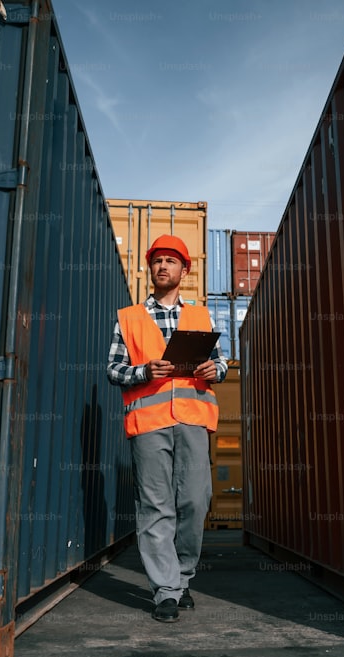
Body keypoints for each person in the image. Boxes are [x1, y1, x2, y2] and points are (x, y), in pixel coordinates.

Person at [106, 234, 227, 623]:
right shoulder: (129, 317)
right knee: (156, 506)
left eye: (171, 261)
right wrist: (144, 371)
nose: (163, 267)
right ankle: (166, 590)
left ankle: (183, 576)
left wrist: (215, 370)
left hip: (192, 422)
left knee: (194, 502)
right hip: (149, 424)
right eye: (157, 260)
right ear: (150, 268)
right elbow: (114, 369)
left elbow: (221, 364)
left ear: (184, 270)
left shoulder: (202, 316)